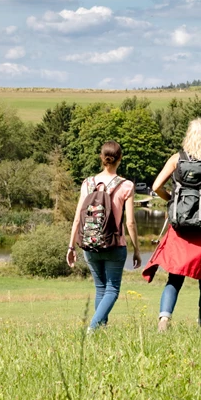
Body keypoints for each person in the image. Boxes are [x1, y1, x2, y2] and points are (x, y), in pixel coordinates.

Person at [142, 118, 201, 332]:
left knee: (174, 277)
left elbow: (156, 186)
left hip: (179, 228)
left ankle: (164, 320)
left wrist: (171, 200)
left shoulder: (177, 158)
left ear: (187, 135)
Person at [67, 140, 140, 331]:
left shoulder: (87, 183)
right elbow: (130, 223)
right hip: (115, 244)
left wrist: (71, 246)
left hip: (89, 244)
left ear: (101, 157)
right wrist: (137, 250)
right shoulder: (126, 185)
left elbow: (77, 219)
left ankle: (101, 331)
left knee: (100, 288)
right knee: (112, 289)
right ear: (120, 159)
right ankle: (93, 328)